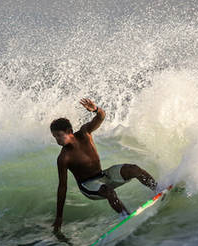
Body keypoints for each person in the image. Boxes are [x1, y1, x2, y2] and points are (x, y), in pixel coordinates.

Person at [50, 98, 157, 230]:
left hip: (103, 175)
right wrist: (59, 217)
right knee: (109, 191)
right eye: (55, 137)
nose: (57, 140)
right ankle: (126, 217)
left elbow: (101, 117)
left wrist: (95, 109)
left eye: (59, 136)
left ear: (69, 131)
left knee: (134, 169)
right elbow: (62, 187)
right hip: (88, 185)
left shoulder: (85, 133)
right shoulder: (63, 157)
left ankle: (157, 189)